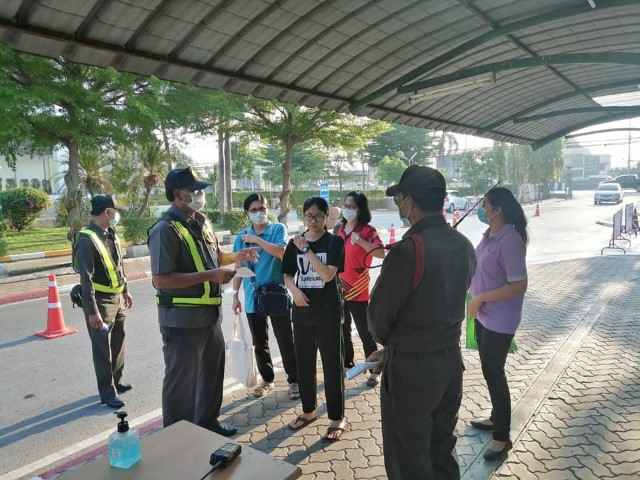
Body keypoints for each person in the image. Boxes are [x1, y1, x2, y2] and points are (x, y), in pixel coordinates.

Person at [367, 165, 476, 479]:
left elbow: (378, 321)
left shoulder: (408, 251)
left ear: (410, 202)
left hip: (411, 372)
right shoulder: (463, 245)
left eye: (399, 199)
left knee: (408, 459)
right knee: (441, 449)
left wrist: (393, 346)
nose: (399, 206)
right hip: (450, 365)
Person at [148, 167, 258, 436]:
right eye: (194, 191)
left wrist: (236, 257)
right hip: (182, 321)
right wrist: (210, 275)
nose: (200, 195)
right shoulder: (165, 229)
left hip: (209, 316)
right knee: (182, 384)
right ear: (178, 194)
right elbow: (161, 279)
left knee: (212, 374)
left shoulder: (201, 221)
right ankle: (177, 438)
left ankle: (208, 423)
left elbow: (214, 254)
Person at [467, 187, 528, 460]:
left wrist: (480, 298)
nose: (481, 209)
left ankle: (502, 437)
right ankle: (495, 417)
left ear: (498, 209)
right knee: (488, 369)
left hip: (500, 319)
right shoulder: (489, 235)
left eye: (485, 205)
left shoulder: (510, 239)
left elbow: (519, 285)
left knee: (494, 373)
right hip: (484, 314)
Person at [282, 196, 347, 442]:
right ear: (303, 216)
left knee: (332, 367)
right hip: (302, 314)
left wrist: (307, 250)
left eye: (319, 216)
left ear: (326, 217)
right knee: (305, 366)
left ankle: (337, 418)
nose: (313, 220)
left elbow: (327, 275)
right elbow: (287, 274)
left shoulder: (334, 242)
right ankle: (309, 411)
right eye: (309, 216)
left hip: (328, 314)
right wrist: (294, 291)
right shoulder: (294, 243)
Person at [231, 193, 299, 400]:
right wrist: (235, 296)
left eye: (262, 208)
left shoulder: (278, 229)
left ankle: (294, 381)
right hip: (254, 298)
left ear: (268, 209)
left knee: (286, 340)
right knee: (260, 343)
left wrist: (257, 240)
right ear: (247, 213)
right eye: (254, 210)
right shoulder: (241, 237)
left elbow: (281, 252)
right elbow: (238, 266)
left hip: (277, 295)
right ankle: (267, 379)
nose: (259, 213)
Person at [73, 194, 133, 409]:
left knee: (119, 340)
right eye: (115, 210)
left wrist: (125, 291)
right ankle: (107, 393)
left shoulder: (111, 234)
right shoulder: (86, 239)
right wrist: (93, 311)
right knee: (102, 348)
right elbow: (86, 279)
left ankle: (117, 380)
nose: (117, 214)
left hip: (117, 297)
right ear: (107, 212)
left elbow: (118, 266)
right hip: (100, 301)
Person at [335, 191, 384, 386]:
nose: (347, 209)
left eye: (352, 206)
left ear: (361, 209)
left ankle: (374, 371)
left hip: (358, 289)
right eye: (345, 205)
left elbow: (381, 253)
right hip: (339, 288)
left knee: (366, 332)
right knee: (343, 329)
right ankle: (347, 364)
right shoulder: (339, 228)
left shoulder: (368, 231)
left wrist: (360, 241)